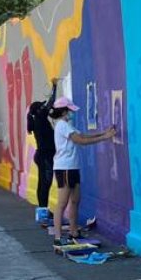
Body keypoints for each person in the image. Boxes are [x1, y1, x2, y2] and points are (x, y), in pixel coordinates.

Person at [50, 97, 115, 244]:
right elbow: (81, 141)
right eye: (70, 110)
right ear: (64, 111)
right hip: (64, 168)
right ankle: (58, 237)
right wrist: (104, 137)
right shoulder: (62, 125)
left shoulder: (67, 125)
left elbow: (83, 135)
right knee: (62, 203)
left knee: (75, 200)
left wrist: (103, 133)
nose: (72, 113)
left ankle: (73, 232)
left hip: (72, 167)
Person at [28, 79, 59, 227]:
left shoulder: (35, 120)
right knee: (45, 183)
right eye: (42, 106)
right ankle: (44, 212)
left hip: (42, 155)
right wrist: (54, 85)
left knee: (42, 183)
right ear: (39, 110)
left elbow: (48, 104)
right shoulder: (40, 117)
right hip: (45, 156)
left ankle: (42, 210)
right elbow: (51, 101)